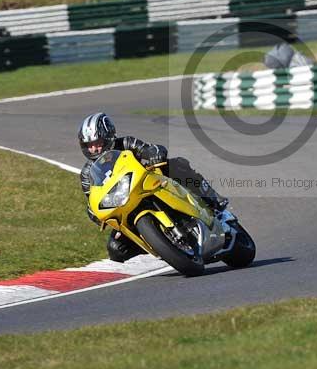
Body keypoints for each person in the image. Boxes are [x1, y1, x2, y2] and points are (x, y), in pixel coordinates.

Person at [78, 112, 228, 262]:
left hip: (150, 184)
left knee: (177, 164)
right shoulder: (87, 173)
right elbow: (93, 199)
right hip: (123, 204)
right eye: (89, 145)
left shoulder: (126, 143)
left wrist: (154, 153)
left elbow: (152, 149)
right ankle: (161, 245)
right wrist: (95, 214)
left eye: (97, 143)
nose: (94, 149)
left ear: (109, 137)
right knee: (115, 249)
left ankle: (212, 198)